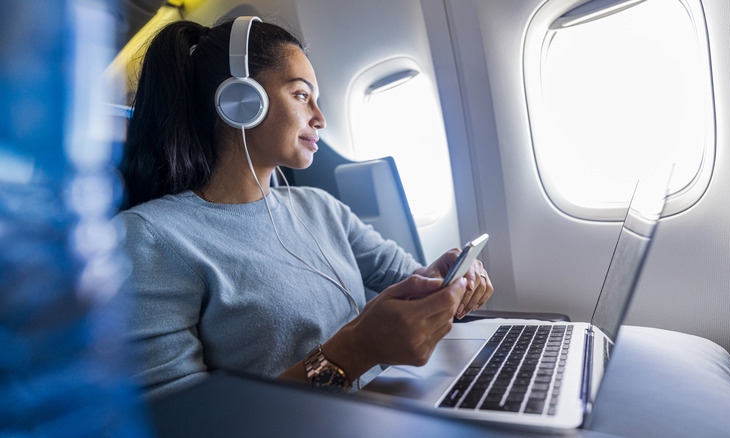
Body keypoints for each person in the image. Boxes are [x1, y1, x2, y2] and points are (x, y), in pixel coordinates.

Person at [116, 16, 493, 398]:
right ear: (240, 101)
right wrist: (356, 352)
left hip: (379, 413)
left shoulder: (320, 207)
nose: (320, 118)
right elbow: (181, 420)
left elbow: (405, 275)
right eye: (301, 94)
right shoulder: (150, 238)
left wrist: (442, 281)